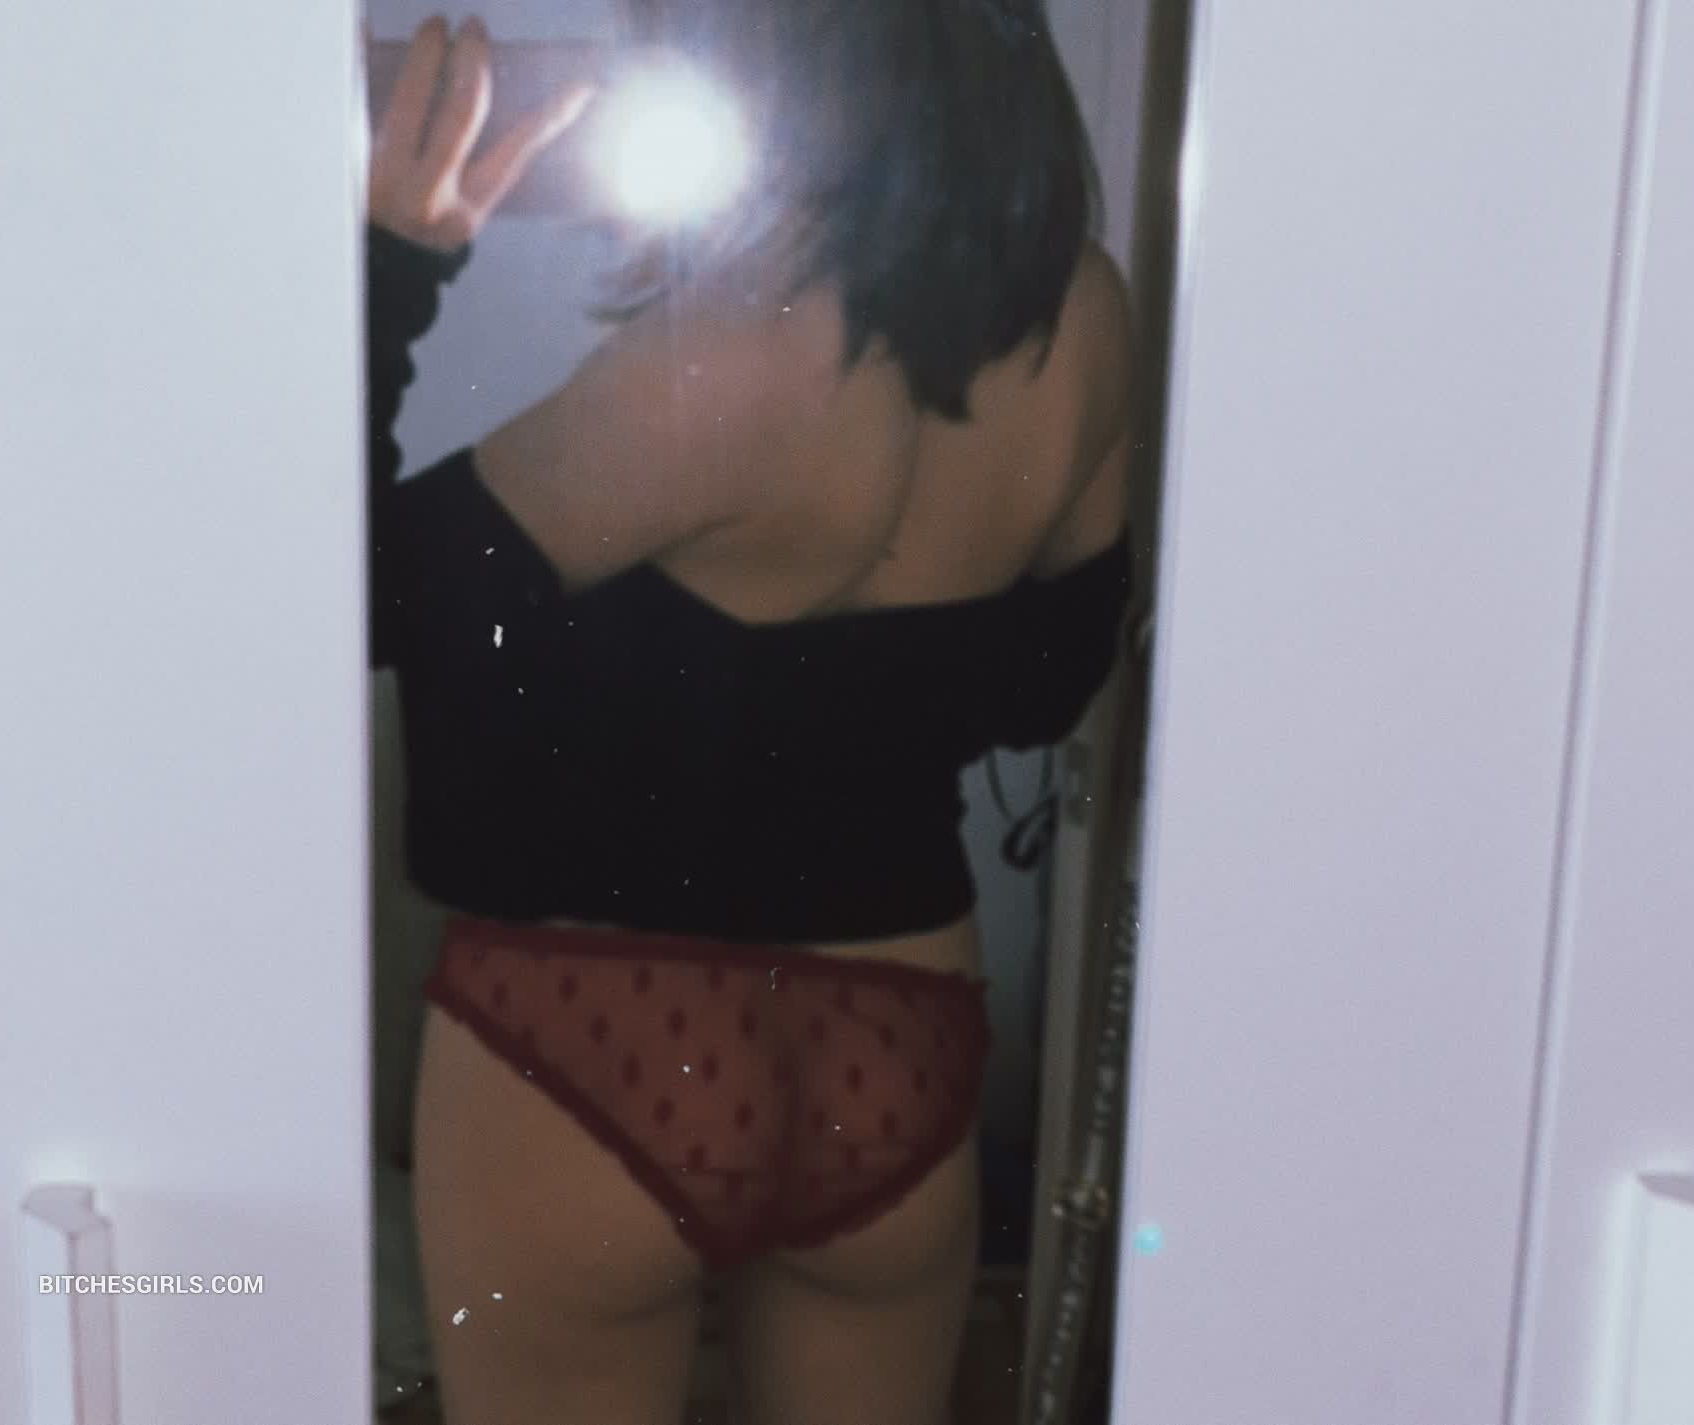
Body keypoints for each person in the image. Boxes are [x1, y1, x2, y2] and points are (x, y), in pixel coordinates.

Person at [367, 3, 1134, 1422]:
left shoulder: (740, 348)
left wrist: (400, 259)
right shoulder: (1082, 312)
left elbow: (360, 597)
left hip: (587, 1030)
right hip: (895, 1044)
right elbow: (1050, 678)